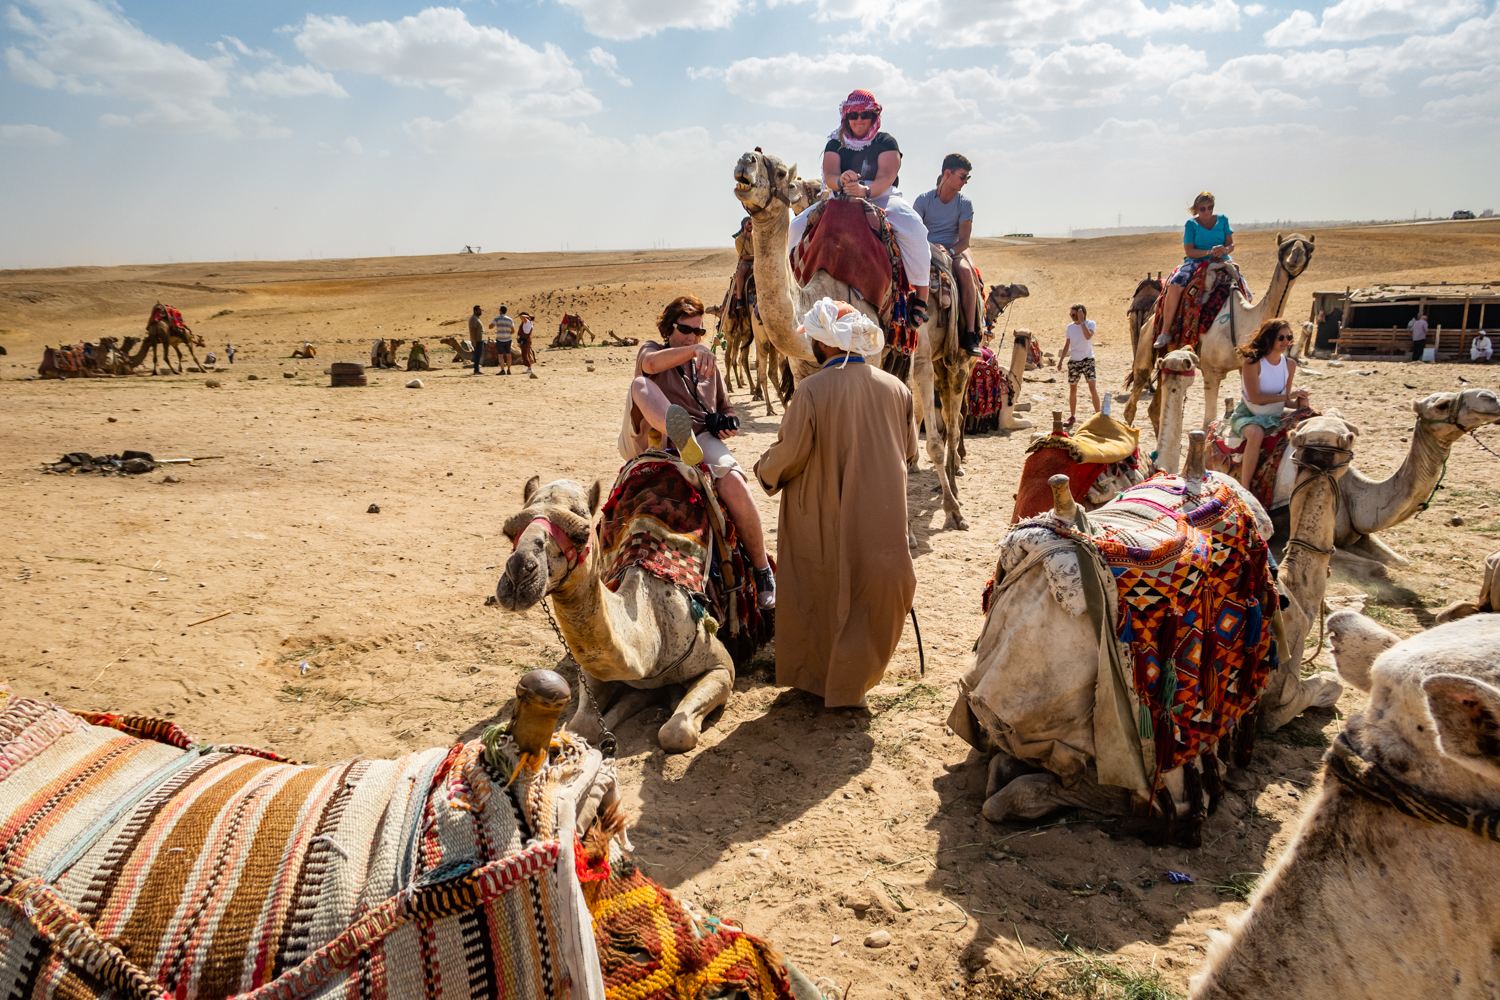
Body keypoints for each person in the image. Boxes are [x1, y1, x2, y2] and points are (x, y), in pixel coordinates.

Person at [754, 298, 917, 708]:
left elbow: (790, 455)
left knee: (823, 584)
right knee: (869, 590)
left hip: (822, 511)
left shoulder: (810, 390)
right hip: (883, 514)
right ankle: (855, 682)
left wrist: (764, 471)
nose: (811, 344)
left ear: (825, 343)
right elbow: (910, 452)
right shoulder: (897, 388)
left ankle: (821, 679)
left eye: (813, 337)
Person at [621, 295, 776, 608]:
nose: (693, 337)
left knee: (735, 480)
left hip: (700, 437)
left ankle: (762, 572)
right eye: (686, 329)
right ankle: (678, 431)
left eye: (699, 332)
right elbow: (650, 365)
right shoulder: (652, 350)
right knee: (640, 384)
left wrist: (727, 423)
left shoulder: (708, 366)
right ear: (669, 329)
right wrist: (694, 350)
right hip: (653, 436)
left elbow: (726, 408)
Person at [788, 89, 931, 326]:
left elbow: (886, 176)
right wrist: (841, 181)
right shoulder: (836, 143)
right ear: (846, 117)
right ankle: (788, 287)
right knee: (795, 227)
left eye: (865, 115)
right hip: (841, 198)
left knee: (914, 227)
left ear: (874, 117)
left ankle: (921, 297)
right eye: (853, 115)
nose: (859, 120)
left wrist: (865, 191)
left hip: (881, 196)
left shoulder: (885, 142)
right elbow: (830, 174)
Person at [1229, 318, 1309, 489]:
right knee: (1256, 434)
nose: (1286, 341)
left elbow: (1286, 401)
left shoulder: (1290, 364)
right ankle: (1245, 487)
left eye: (1289, 337)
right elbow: (1255, 398)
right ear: (1269, 338)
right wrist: (1288, 395)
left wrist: (1300, 401)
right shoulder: (1252, 362)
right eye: (1281, 338)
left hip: (1275, 415)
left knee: (1309, 421)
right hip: (1249, 414)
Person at [913, 154, 980, 355]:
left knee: (965, 272)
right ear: (947, 173)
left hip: (952, 252)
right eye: (962, 177)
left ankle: (970, 334)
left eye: (967, 178)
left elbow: (964, 241)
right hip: (925, 250)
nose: (965, 182)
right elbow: (915, 232)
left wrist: (949, 251)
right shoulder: (923, 201)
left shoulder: (964, 204)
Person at [1157, 191, 1234, 346]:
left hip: (1222, 260)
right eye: (1202, 209)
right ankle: (1165, 332)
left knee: (1243, 289)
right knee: (1175, 285)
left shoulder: (1223, 220)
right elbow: (1189, 251)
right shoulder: (1191, 224)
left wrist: (1224, 250)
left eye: (1210, 207)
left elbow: (1230, 244)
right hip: (1195, 261)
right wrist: (1209, 252)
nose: (1207, 211)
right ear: (1196, 210)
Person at [1055, 303, 1100, 425]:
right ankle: (1072, 416)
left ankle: (1099, 415)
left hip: (1088, 359)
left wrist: (1082, 321)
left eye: (1074, 315)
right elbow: (1067, 344)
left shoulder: (1090, 324)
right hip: (1074, 361)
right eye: (1071, 314)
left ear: (1081, 313)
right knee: (1073, 390)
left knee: (1092, 389)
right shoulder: (1070, 327)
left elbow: (1088, 336)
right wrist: (1061, 360)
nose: (1071, 317)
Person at [730, 217, 754, 313]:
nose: (751, 225)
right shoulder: (738, 239)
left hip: (756, 260)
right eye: (749, 223)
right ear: (744, 225)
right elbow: (743, 256)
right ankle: (739, 299)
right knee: (742, 270)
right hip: (745, 262)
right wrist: (757, 257)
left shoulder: (755, 237)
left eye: (752, 223)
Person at [490, 306, 515, 375]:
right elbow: (513, 331)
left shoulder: (497, 319)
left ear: (500, 311)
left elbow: (491, 326)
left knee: (500, 355)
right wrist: (507, 334)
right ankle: (509, 369)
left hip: (500, 339)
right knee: (508, 354)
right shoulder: (510, 319)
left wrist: (490, 326)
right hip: (508, 339)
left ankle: (502, 370)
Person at [517, 311, 536, 376]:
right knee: (526, 353)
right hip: (526, 340)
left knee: (525, 354)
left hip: (525, 340)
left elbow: (522, 316)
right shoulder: (528, 322)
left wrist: (527, 316)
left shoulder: (527, 322)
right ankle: (529, 367)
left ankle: (529, 368)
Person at [468, 305, 485, 375]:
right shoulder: (474, 318)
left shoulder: (476, 318)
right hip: (477, 340)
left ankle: (477, 369)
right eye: (479, 310)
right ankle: (476, 370)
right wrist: (474, 340)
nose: (480, 311)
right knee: (477, 355)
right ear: (475, 311)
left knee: (479, 354)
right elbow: (472, 329)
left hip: (480, 340)